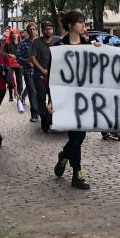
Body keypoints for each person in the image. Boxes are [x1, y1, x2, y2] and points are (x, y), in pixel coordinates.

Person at [51, 11, 94, 189]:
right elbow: (53, 76)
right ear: (70, 26)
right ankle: (77, 174)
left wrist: (99, 50)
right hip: (67, 99)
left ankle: (64, 156)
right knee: (75, 138)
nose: (83, 25)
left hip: (84, 99)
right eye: (80, 22)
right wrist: (51, 100)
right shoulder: (59, 46)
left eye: (84, 22)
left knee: (79, 137)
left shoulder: (88, 45)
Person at [29, 21, 57, 132]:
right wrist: (42, 70)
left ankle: (52, 119)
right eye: (46, 28)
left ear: (53, 29)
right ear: (42, 30)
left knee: (53, 98)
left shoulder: (58, 41)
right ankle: (44, 122)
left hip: (54, 76)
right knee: (41, 98)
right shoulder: (36, 42)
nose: (48, 30)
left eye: (50, 28)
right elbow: (32, 57)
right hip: (39, 75)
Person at [16, 23, 40, 122]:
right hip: (28, 71)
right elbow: (18, 57)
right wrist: (26, 61)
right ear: (27, 31)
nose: (32, 31)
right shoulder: (23, 43)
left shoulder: (40, 42)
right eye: (30, 29)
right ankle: (34, 113)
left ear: (36, 30)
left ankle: (42, 111)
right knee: (32, 91)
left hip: (40, 71)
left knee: (40, 92)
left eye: (34, 29)